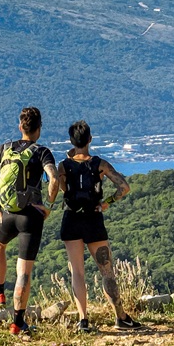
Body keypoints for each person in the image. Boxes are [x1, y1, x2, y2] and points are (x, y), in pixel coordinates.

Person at [0, 107, 59, 335]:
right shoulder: (41, 151)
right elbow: (53, 179)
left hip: (8, 214)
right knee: (23, 270)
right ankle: (18, 322)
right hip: (31, 216)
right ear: (39, 128)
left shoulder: (4, 149)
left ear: (20, 127)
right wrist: (49, 207)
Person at [58, 120, 141, 332]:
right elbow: (124, 187)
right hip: (93, 219)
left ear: (71, 141)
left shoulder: (64, 166)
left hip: (71, 219)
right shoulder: (100, 164)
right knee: (106, 271)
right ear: (90, 140)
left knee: (77, 272)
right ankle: (120, 317)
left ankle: (83, 319)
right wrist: (105, 204)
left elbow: (60, 189)